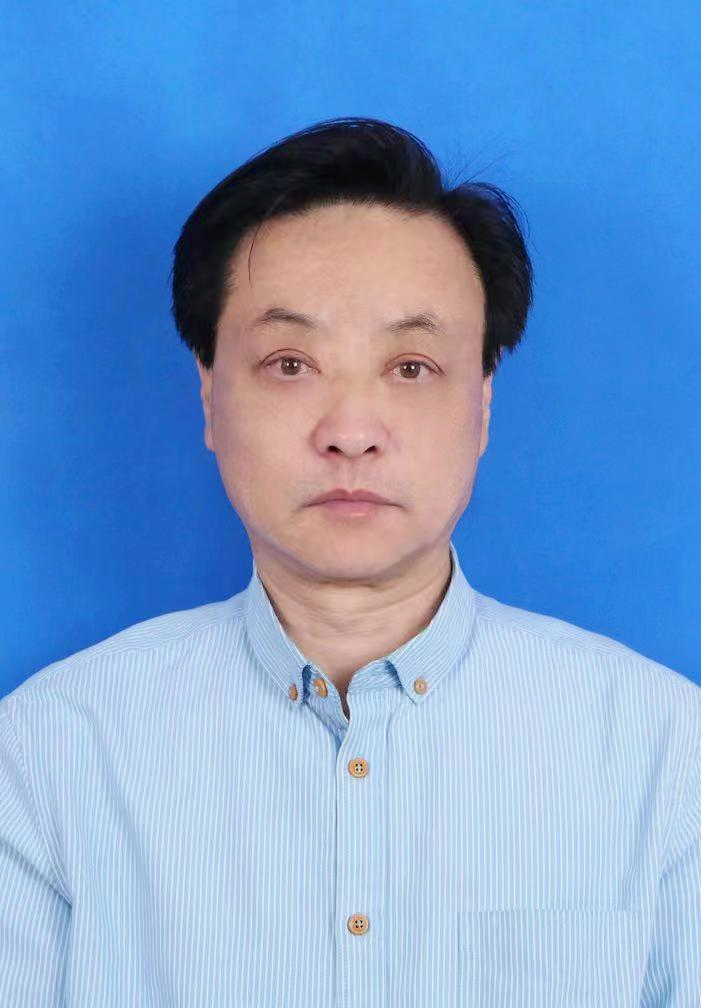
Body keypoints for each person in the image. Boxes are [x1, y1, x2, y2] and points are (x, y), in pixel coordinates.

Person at [1, 116, 698, 1006]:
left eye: (410, 367)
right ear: (209, 396)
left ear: (482, 403)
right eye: (291, 363)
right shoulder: (51, 752)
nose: (351, 432)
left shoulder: (663, 754)